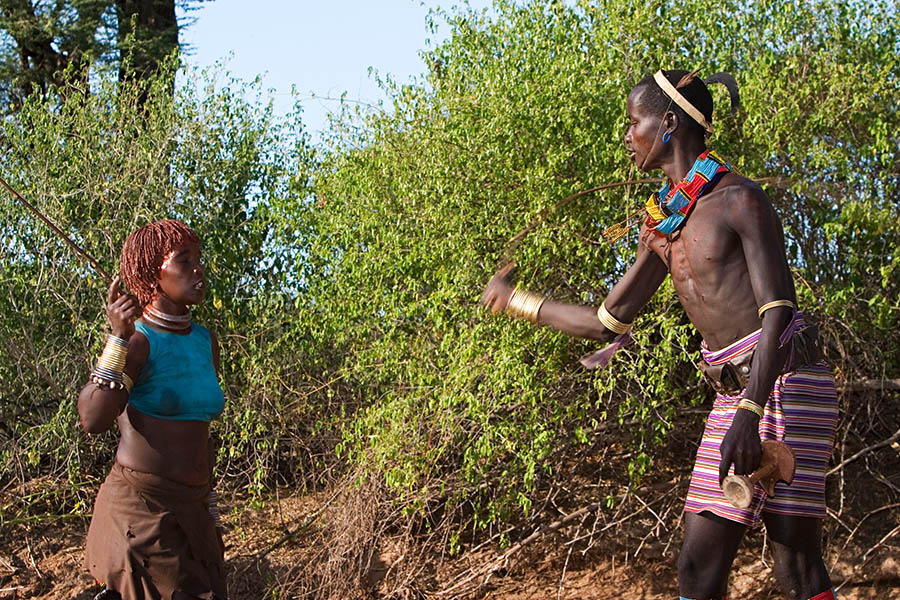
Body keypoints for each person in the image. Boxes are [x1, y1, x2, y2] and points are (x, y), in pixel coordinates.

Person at [482, 70, 839, 600]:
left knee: (794, 558)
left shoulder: (740, 200)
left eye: (633, 123)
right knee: (698, 569)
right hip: (734, 395)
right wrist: (515, 302)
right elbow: (605, 321)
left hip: (784, 379)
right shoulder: (666, 224)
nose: (627, 137)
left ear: (668, 123)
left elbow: (779, 313)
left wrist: (750, 411)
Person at [78, 219, 228, 600]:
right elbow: (93, 418)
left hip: (191, 512)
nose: (198, 268)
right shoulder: (140, 342)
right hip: (141, 517)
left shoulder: (204, 342)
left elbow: (200, 436)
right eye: (183, 260)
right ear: (152, 274)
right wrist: (117, 338)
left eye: (199, 258)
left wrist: (209, 511)